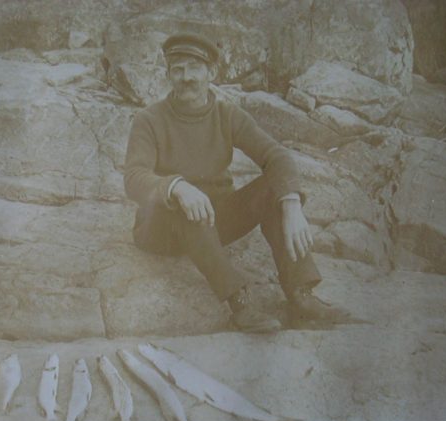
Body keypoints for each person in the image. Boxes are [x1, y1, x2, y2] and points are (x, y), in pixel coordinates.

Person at [123, 32, 351, 333]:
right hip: (162, 229)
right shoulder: (149, 119)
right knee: (186, 208)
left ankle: (300, 294)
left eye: (194, 68)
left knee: (274, 188)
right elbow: (134, 178)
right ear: (168, 75)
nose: (185, 77)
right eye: (176, 69)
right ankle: (238, 302)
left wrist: (292, 203)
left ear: (211, 73)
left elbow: (276, 155)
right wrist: (176, 186)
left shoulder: (226, 114)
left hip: (213, 222)